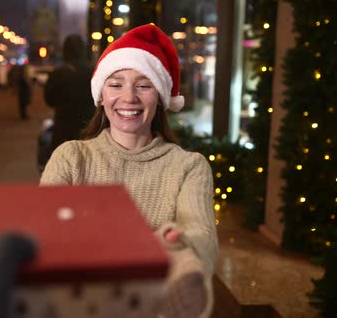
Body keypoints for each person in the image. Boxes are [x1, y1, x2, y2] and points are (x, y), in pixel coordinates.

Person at [40, 24, 218, 318]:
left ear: (160, 96)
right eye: (116, 84)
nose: (129, 97)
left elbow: (203, 239)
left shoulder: (189, 166)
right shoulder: (71, 157)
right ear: (101, 95)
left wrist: (178, 242)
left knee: (183, 253)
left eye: (144, 85)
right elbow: (45, 226)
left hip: (153, 308)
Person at [43, 34, 96, 161]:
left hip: (63, 127)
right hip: (89, 127)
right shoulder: (93, 71)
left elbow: (49, 100)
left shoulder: (57, 73)